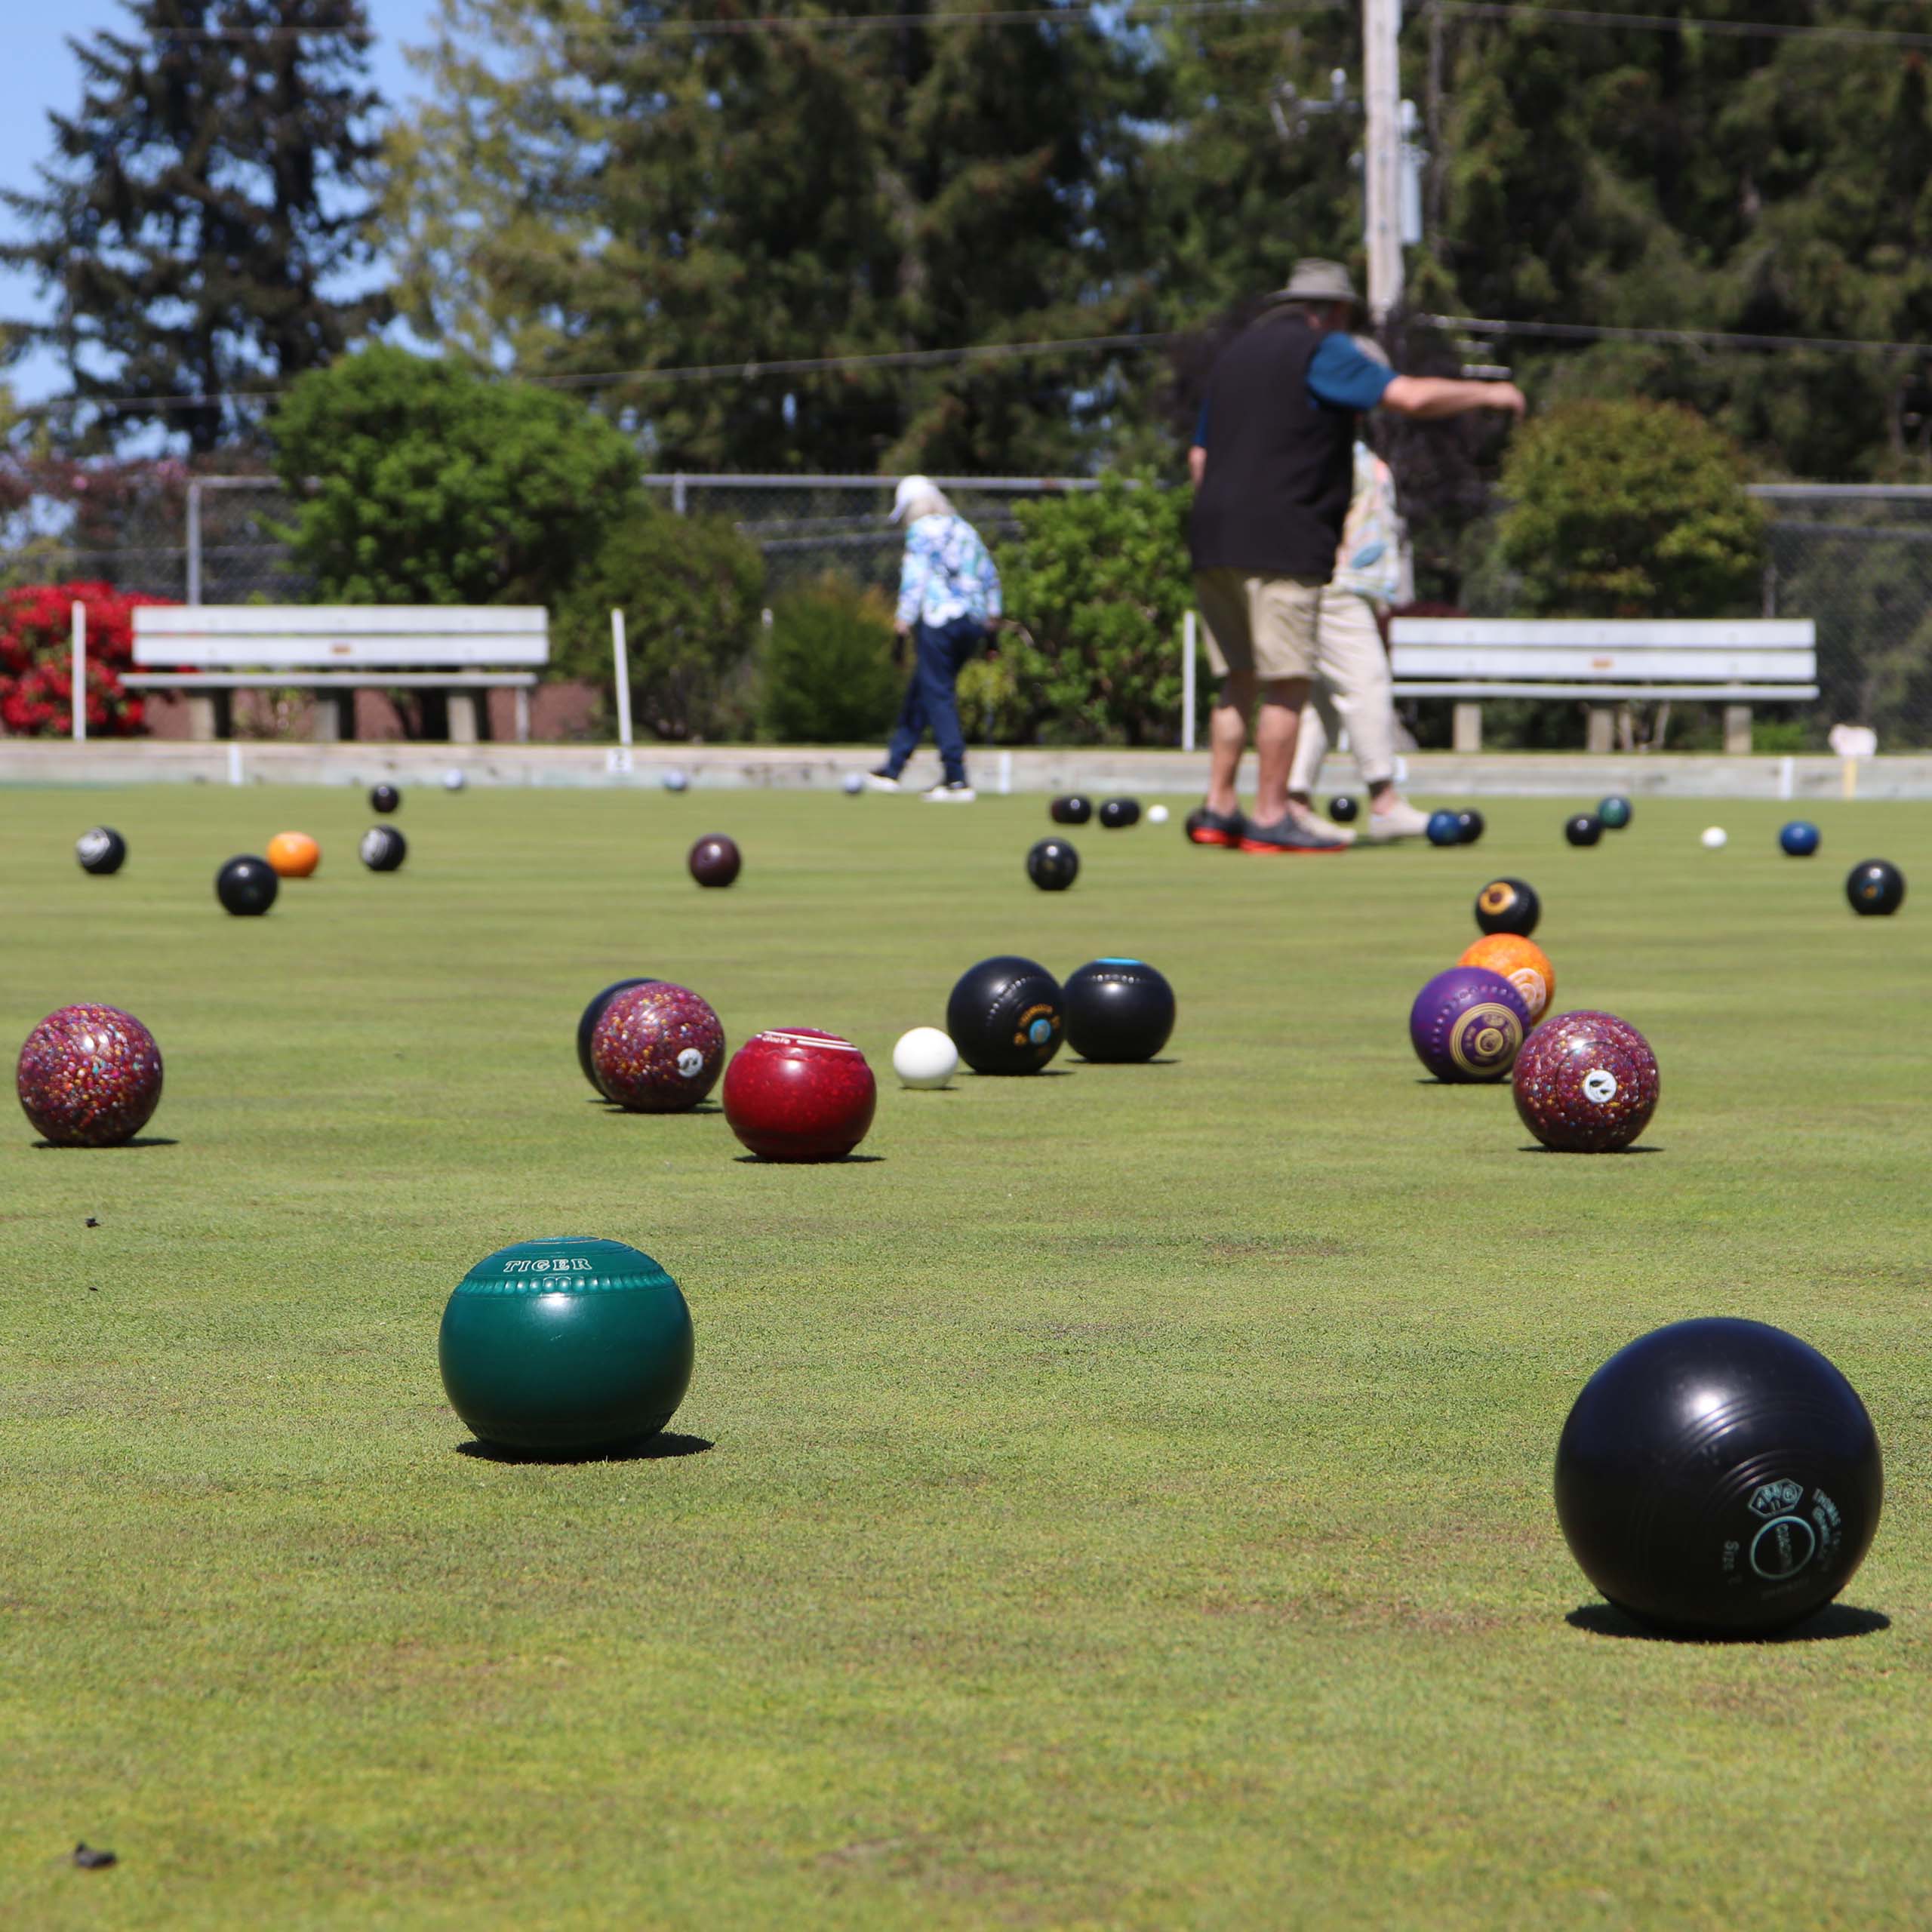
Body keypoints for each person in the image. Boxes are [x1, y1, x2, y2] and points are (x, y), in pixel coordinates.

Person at [1186, 259, 1524, 852]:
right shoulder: (1323, 349)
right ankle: (1272, 815)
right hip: (1282, 541)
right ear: (1336, 311)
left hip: (1214, 540)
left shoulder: (1236, 357)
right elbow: (1408, 396)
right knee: (1288, 683)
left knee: (1237, 680)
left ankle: (1218, 810)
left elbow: (1199, 459)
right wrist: (1489, 392)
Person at [1287, 411, 1432, 841]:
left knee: (1320, 702)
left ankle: (1292, 804)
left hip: (1350, 586)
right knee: (1367, 682)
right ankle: (1384, 803)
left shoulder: (1349, 446)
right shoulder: (1319, 448)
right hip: (1335, 584)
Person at [866, 476, 1002, 802]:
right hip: (973, 622)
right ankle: (893, 768)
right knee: (923, 689)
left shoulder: (921, 531)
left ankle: (956, 778)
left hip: (939, 621)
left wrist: (902, 623)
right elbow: (990, 577)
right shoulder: (965, 529)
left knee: (938, 693)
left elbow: (916, 579)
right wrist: (992, 633)